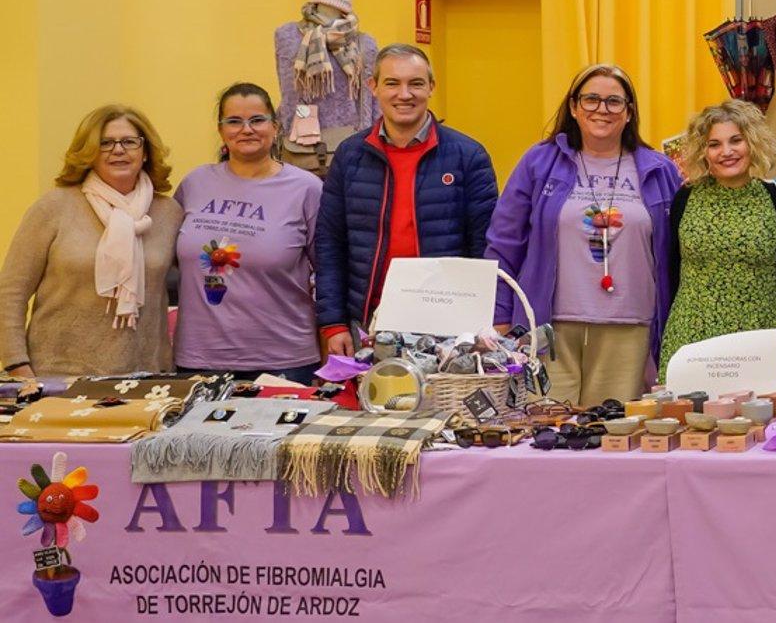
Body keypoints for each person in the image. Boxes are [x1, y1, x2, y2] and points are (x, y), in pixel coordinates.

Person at [487, 64, 679, 405]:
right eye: (591, 99)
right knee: (544, 432)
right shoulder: (539, 162)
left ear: (629, 112)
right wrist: (500, 317)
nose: (601, 110)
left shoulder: (659, 169)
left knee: (611, 439)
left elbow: (678, 251)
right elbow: (504, 245)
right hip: (548, 329)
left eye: (613, 102)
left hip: (630, 327)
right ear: (574, 108)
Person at [315, 44, 498, 354]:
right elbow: (330, 243)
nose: (404, 94)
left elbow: (486, 247)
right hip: (369, 321)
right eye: (392, 83)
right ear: (373, 87)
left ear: (431, 87)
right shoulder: (350, 155)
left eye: (415, 83)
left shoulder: (468, 156)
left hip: (448, 326)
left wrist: (483, 320)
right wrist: (333, 323)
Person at [0, 105, 182, 376]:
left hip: (146, 378)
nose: (118, 150)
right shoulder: (54, 207)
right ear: (89, 153)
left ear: (145, 153)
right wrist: (17, 366)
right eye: (105, 143)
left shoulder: (169, 213)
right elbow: (11, 292)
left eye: (129, 142)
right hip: (57, 378)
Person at [174, 83, 324, 384]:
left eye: (257, 120)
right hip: (200, 358)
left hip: (284, 359)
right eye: (234, 121)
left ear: (275, 126)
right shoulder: (194, 184)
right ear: (220, 131)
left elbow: (328, 270)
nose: (247, 130)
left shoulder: (307, 189)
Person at [659, 101, 776, 381]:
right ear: (703, 151)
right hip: (693, 335)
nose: (727, 152)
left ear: (752, 143)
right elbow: (671, 269)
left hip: (760, 336)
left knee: (762, 422)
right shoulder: (685, 198)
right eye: (714, 144)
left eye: (736, 140)